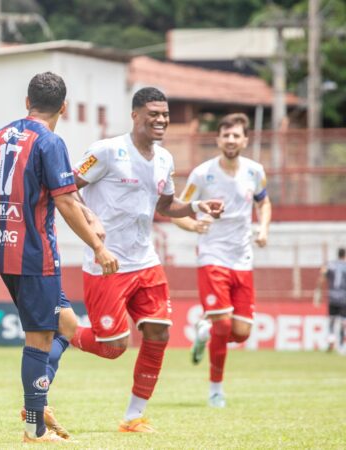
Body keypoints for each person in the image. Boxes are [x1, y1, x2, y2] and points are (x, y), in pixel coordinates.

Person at [70, 87, 223, 433]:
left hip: (145, 261)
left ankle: (133, 416)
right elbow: (66, 187)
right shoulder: (107, 151)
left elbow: (166, 206)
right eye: (154, 114)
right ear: (135, 115)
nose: (161, 120)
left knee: (158, 332)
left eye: (165, 114)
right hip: (107, 263)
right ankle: (64, 328)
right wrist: (91, 223)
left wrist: (197, 206)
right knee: (113, 348)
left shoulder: (164, 159)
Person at [0, 72, 118, 443]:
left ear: (27, 102)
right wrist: (98, 247)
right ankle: (34, 427)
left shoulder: (0, 136)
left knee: (67, 327)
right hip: (36, 254)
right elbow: (65, 202)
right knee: (40, 339)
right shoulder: (50, 141)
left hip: (4, 248)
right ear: (64, 107)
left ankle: (37, 405)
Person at [172, 112, 271, 408]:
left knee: (241, 332)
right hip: (212, 256)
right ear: (217, 140)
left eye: (235, 135)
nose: (230, 140)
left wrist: (263, 228)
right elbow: (177, 210)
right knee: (224, 324)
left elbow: (264, 202)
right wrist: (194, 225)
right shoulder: (203, 174)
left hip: (243, 259)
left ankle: (205, 332)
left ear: (245, 140)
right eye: (225, 135)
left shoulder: (255, 171)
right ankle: (216, 390)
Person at [319, 248, 346, 353]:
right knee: (343, 321)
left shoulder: (330, 264)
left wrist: (319, 291)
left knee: (332, 320)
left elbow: (322, 273)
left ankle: (331, 341)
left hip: (332, 297)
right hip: (343, 298)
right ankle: (341, 345)